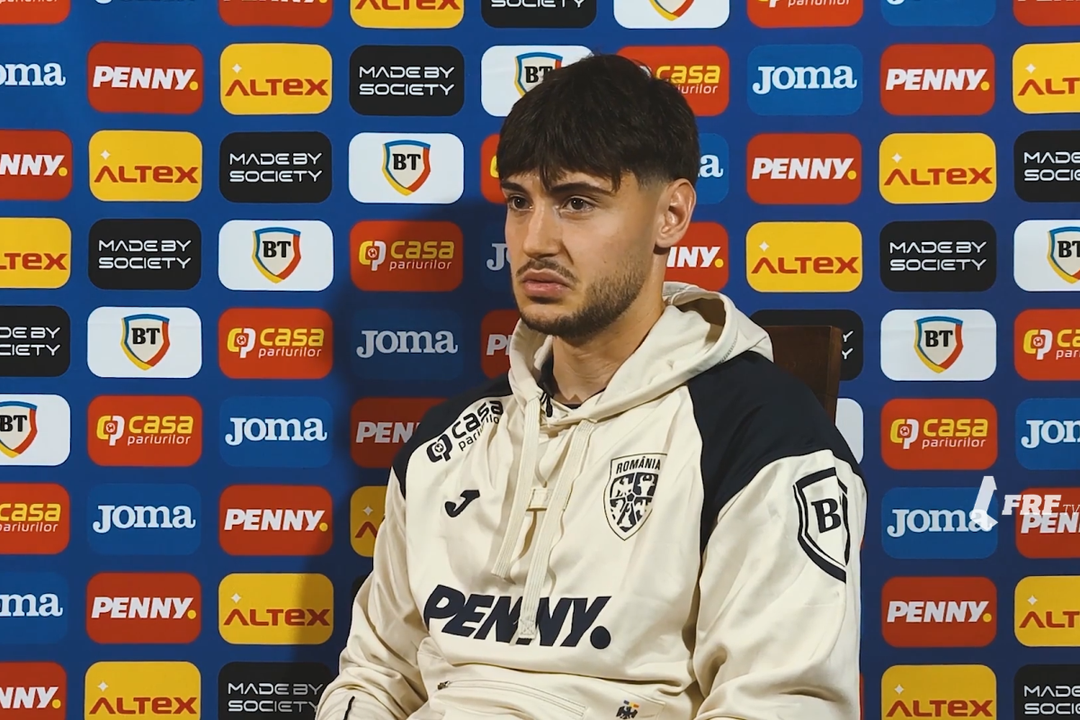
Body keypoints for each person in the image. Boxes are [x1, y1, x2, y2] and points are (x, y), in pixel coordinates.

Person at [316, 53, 865, 720]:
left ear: (671, 214)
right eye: (519, 202)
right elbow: (375, 677)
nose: (535, 240)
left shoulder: (764, 436)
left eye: (577, 203)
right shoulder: (445, 444)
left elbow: (781, 706)